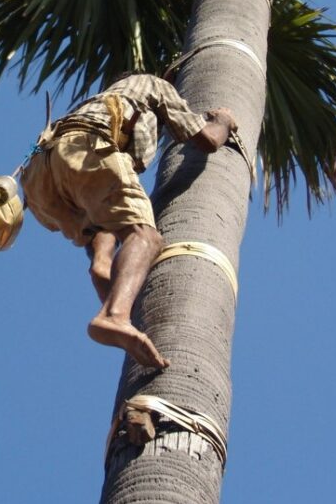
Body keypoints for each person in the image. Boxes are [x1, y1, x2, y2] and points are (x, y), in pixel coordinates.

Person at [20, 74, 237, 370]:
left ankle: (102, 263)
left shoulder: (91, 103)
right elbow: (207, 140)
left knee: (105, 219)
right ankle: (114, 315)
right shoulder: (153, 84)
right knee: (143, 236)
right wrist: (223, 120)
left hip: (38, 183)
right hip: (87, 147)